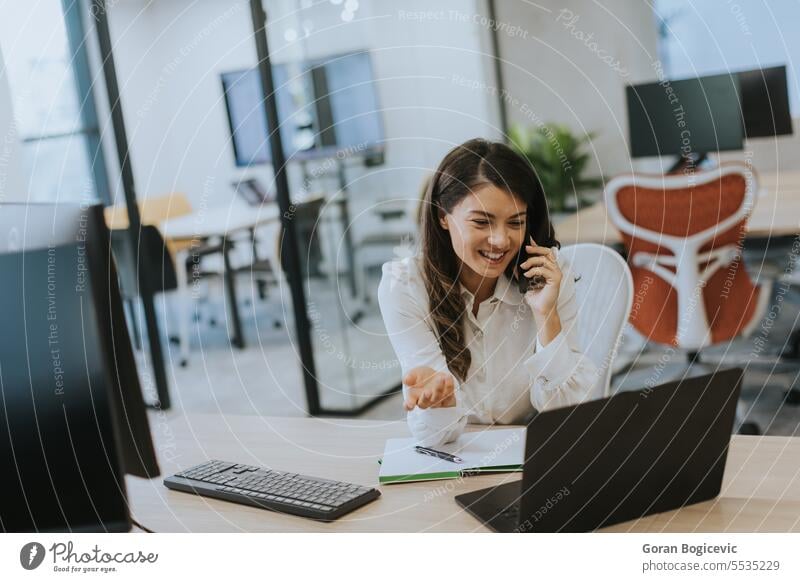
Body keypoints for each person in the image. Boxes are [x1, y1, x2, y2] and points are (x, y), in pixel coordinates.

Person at [378, 138, 599, 446]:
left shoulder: (547, 274)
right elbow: (438, 434)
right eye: (482, 222)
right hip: (458, 453)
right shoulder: (405, 286)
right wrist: (439, 402)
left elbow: (569, 412)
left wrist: (546, 314)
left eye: (516, 223)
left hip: (534, 448)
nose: (500, 241)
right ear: (443, 215)